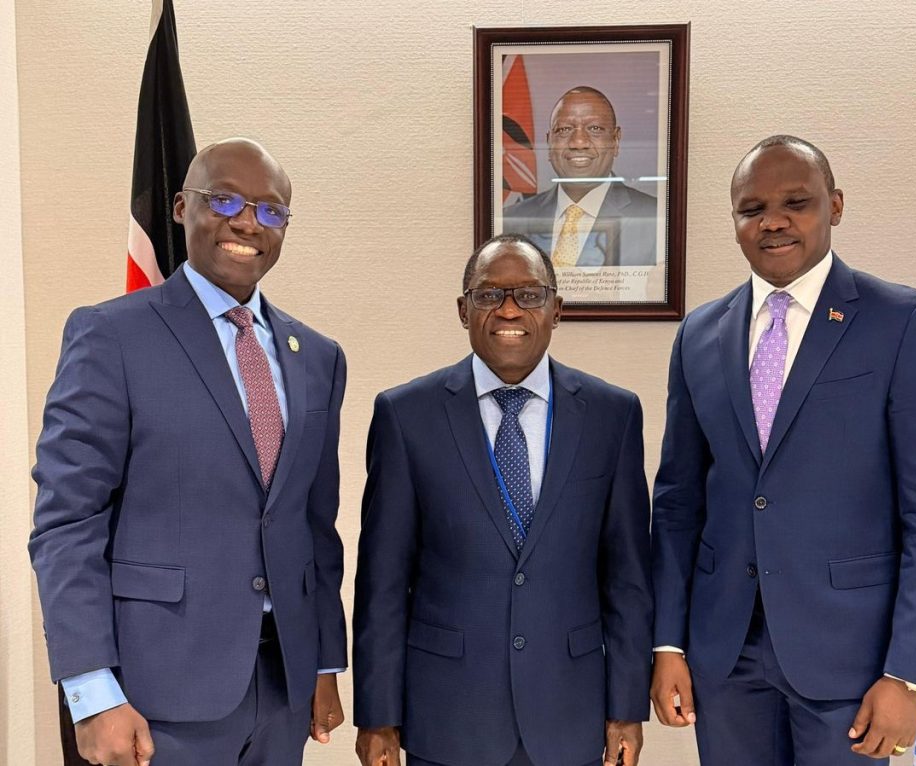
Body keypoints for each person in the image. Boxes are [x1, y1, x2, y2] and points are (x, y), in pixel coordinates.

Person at [649, 135, 916, 764]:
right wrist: (668, 644)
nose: (773, 221)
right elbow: (678, 500)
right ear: (735, 219)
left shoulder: (901, 321)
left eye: (797, 201)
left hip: (853, 661)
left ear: (836, 206)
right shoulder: (699, 334)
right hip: (725, 654)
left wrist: (909, 673)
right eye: (752, 208)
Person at [29, 138, 348, 766]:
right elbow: (67, 522)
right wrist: (91, 692)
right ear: (181, 207)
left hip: (280, 688)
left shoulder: (317, 356)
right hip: (151, 694)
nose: (247, 223)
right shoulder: (111, 335)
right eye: (224, 199)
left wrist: (325, 662)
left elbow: (314, 525)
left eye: (271, 210)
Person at [352, 233, 653, 766]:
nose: (509, 309)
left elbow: (626, 578)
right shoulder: (407, 415)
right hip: (446, 718)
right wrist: (378, 715)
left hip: (570, 714)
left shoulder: (612, 415)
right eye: (489, 295)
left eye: (529, 295)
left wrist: (626, 706)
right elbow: (382, 581)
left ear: (556, 310)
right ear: (464, 309)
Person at [502, 87, 658, 268]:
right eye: (564, 129)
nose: (578, 142)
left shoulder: (654, 218)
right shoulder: (512, 220)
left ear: (615, 141)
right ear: (549, 142)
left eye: (595, 128)